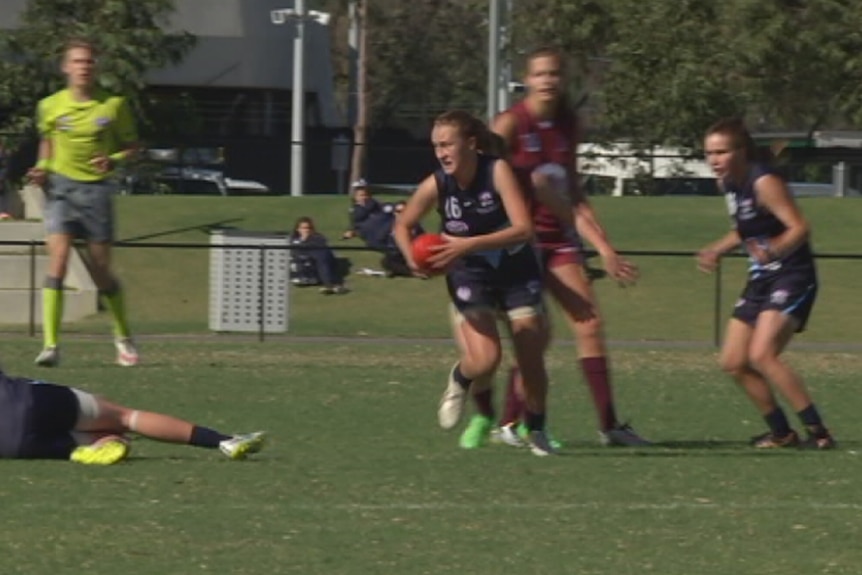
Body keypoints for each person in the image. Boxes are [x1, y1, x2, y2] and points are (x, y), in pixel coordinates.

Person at [481, 46, 649, 449]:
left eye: (554, 73)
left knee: (589, 324)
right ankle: (508, 423)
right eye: (540, 73)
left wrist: (606, 248)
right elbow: (479, 175)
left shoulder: (568, 124)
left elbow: (572, 191)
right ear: (528, 78)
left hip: (559, 241)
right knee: (534, 334)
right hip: (521, 244)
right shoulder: (510, 124)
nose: (548, 80)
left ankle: (609, 425)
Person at [393, 110, 555, 456]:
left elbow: (524, 229)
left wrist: (469, 243)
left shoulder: (497, 171)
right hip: (469, 271)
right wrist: (412, 259)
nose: (441, 152)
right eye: (436, 146)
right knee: (486, 359)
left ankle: (537, 430)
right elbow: (403, 225)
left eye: (447, 144)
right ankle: (461, 379)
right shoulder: (438, 183)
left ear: (470, 143)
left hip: (514, 267)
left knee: (530, 356)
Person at [698, 118, 834, 450]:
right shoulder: (728, 184)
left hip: (792, 274)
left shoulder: (764, 182)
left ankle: (819, 434)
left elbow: (800, 227)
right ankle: (782, 434)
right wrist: (718, 248)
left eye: (722, 151)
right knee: (733, 361)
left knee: (763, 354)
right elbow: (747, 228)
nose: (714, 159)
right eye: (709, 153)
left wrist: (773, 250)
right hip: (761, 279)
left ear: (742, 151)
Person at [27, 38, 139, 368]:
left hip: (96, 193)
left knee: (100, 272)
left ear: (96, 67)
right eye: (77, 61)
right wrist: (41, 169)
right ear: (66, 67)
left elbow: (133, 147)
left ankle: (123, 337)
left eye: (89, 61)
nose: (83, 67)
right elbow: (47, 147)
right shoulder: (49, 106)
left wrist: (114, 159)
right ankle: (51, 345)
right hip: (61, 191)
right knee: (58, 262)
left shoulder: (113, 105)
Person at [0, 367, 266, 464]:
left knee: (76, 440)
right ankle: (223, 441)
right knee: (125, 417)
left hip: (14, 445)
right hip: (25, 401)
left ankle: (101, 444)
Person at [290, 216, 349, 294]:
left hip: (317, 265)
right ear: (298, 229)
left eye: (309, 228)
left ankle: (330, 284)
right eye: (303, 228)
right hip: (302, 268)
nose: (306, 230)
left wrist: (306, 241)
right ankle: (333, 284)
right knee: (320, 254)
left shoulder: (318, 237)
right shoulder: (292, 240)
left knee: (322, 253)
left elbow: (322, 248)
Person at [342, 179, 392, 250]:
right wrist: (350, 231)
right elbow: (355, 222)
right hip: (372, 234)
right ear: (356, 197)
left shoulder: (375, 203)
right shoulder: (356, 210)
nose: (364, 198)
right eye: (361, 195)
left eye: (366, 195)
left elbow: (385, 209)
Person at [381, 201, 425, 277]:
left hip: (413, 253)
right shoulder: (389, 225)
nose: (401, 214)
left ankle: (404, 271)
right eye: (398, 211)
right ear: (394, 213)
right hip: (397, 254)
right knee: (387, 261)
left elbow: (423, 238)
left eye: (404, 211)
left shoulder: (415, 225)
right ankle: (412, 273)